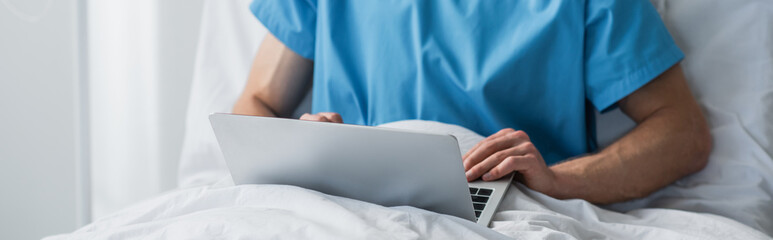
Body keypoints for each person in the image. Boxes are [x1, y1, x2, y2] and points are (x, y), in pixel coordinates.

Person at [233, 0, 712, 204]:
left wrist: (560, 181)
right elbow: (256, 102)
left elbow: (682, 133)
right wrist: (300, 144)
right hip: (346, 202)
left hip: (509, 208)